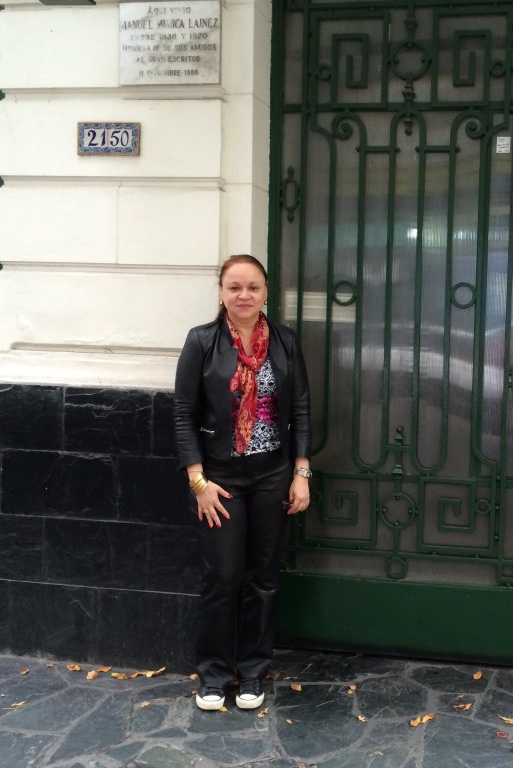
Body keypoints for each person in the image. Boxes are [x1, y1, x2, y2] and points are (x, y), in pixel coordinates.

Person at [173, 254, 312, 711]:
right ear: (221, 292)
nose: (244, 295)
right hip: (221, 479)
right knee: (222, 578)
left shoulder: (286, 343)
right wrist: (199, 482)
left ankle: (253, 671)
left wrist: (301, 473)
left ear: (266, 290)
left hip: (273, 475)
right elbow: (183, 415)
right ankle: (213, 675)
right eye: (234, 287)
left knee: (263, 579)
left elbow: (301, 411)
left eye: (252, 286)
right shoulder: (202, 342)